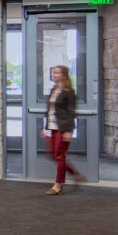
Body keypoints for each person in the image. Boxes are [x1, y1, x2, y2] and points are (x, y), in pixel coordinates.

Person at [43, 65, 85, 195]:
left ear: (63, 75)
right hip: (52, 127)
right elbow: (50, 111)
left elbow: (71, 112)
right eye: (52, 72)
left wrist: (69, 130)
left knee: (59, 156)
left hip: (63, 128)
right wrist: (46, 128)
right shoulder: (54, 89)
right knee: (52, 154)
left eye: (56, 73)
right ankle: (75, 174)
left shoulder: (69, 91)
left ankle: (58, 185)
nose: (53, 75)